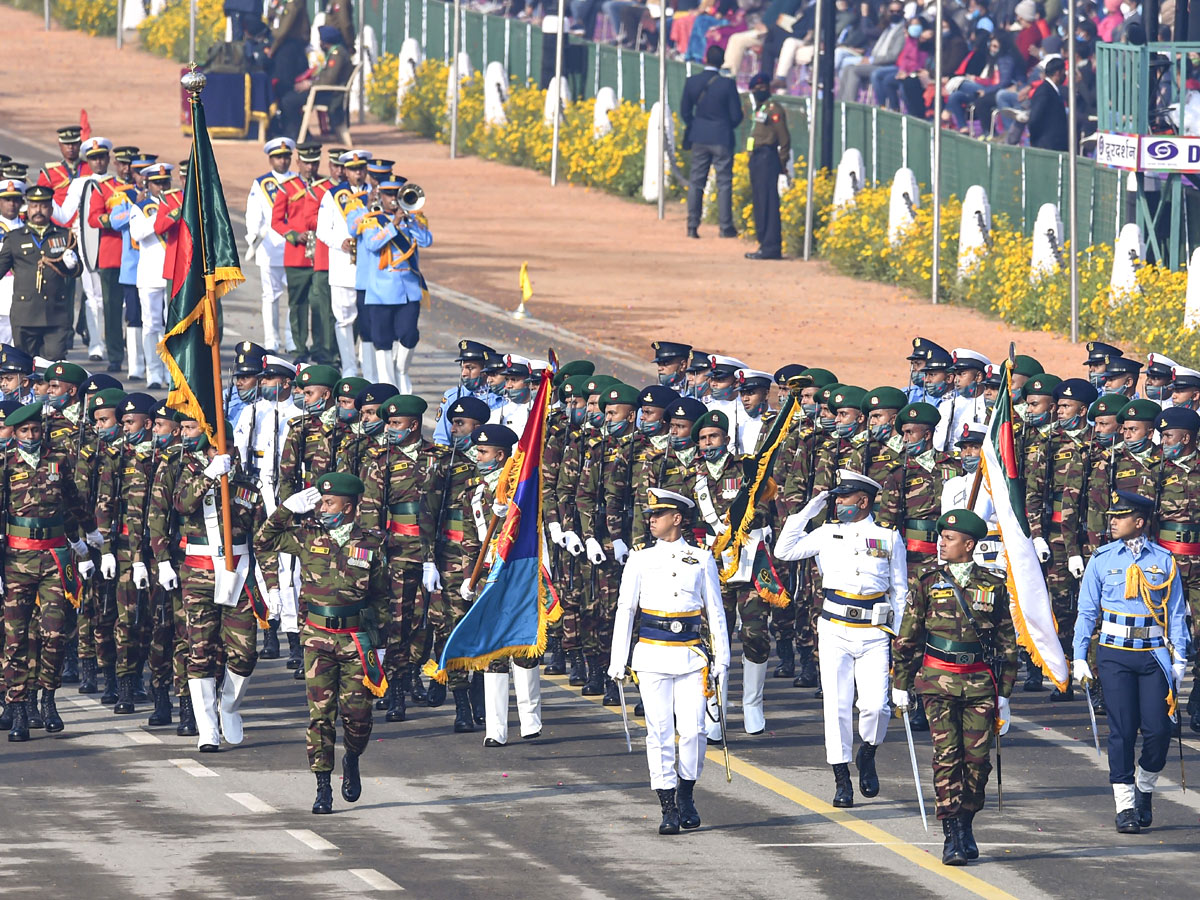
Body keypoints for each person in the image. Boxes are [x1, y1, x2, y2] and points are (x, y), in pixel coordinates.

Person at [256, 470, 389, 815]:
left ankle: (354, 757)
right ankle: (322, 786)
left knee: (357, 715)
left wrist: (382, 645)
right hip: (317, 638)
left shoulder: (371, 542)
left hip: (355, 639)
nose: (322, 507)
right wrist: (286, 508)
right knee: (320, 717)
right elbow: (263, 540)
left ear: (348, 507)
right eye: (321, 501)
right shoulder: (306, 535)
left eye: (329, 502)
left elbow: (381, 598)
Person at [774, 469, 907, 808]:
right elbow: (783, 550)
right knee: (836, 705)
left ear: (862, 501)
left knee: (876, 706)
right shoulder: (826, 532)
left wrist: (899, 635)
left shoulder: (888, 537)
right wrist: (807, 510)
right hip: (835, 628)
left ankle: (868, 752)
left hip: (874, 630)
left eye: (842, 497)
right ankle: (841, 778)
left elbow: (900, 590)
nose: (836, 502)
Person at [892, 509, 1017, 865]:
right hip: (936, 680)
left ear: (969, 544)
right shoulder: (927, 580)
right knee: (947, 758)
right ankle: (951, 835)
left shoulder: (992, 583)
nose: (941, 543)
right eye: (941, 537)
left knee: (977, 762)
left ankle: (967, 821)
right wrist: (901, 682)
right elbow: (908, 634)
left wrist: (1005, 692)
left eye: (948, 539)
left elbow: (1007, 640)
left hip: (979, 682)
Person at [608, 488, 730, 835]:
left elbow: (715, 612)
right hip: (651, 653)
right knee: (659, 733)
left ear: (677, 519)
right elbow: (626, 610)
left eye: (658, 515)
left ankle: (686, 791)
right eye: (649, 516)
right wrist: (619, 658)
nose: (651, 521)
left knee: (694, 731)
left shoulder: (701, 558)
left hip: (691, 654)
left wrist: (723, 658)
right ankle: (667, 805)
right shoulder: (640, 558)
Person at [1072, 491, 1189, 834]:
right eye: (1111, 516)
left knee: (1159, 730)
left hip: (1153, 654)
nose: (1111, 522)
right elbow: (1087, 611)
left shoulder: (1164, 560)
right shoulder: (1103, 558)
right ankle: (1125, 806)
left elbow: (1176, 612)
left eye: (1119, 517)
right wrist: (1080, 655)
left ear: (1139, 522)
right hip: (1114, 654)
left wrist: (1179, 658)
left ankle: (1144, 788)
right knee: (1122, 732)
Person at [173, 414, 266, 752]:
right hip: (198, 574)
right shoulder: (191, 475)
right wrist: (210, 475)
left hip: (238, 573)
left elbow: (263, 538)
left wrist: (271, 583)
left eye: (222, 448)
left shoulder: (248, 487)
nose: (217, 453)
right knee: (200, 651)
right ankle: (207, 728)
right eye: (211, 449)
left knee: (244, 652)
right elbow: (183, 504)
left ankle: (228, 705)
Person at [2, 401, 91, 741]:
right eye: (24, 430)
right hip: (17, 560)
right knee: (16, 638)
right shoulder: (6, 463)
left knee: (54, 633)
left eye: (35, 430)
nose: (31, 435)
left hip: (54, 556)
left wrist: (88, 534)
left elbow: (73, 500)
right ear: (15, 433)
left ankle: (48, 699)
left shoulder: (58, 460)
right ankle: (20, 708)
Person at [357, 181, 432, 393]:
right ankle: (388, 387)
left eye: (395, 194)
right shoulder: (372, 221)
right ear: (381, 197)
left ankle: (402, 370)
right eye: (388, 195)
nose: (392, 199)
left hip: (408, 290)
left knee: (409, 334)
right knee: (382, 341)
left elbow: (426, 241)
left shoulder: (414, 219)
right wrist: (394, 225)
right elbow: (371, 244)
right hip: (381, 291)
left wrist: (412, 221)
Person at [0, 185, 84, 359]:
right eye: (34, 206)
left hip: (55, 315)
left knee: (53, 366)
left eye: (44, 206)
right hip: (25, 315)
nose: (39, 210)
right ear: (28, 209)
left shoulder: (63, 236)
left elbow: (77, 271)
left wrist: (71, 264)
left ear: (51, 209)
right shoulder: (15, 238)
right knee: (23, 368)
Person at [317, 149, 371, 378]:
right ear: (345, 171)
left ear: (366, 170)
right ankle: (349, 366)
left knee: (369, 321)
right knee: (343, 320)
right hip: (342, 266)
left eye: (360, 169)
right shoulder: (332, 195)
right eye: (352, 169)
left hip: (370, 270)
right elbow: (322, 230)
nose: (357, 173)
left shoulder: (376, 195)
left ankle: (369, 368)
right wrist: (341, 242)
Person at [681, 45, 743, 240]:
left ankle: (692, 226)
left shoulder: (692, 82)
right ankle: (725, 227)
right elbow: (736, 115)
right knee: (724, 183)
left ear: (705, 59)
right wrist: (725, 125)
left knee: (696, 182)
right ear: (722, 60)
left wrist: (696, 125)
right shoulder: (727, 85)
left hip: (699, 136)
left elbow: (685, 112)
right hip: (722, 136)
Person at [245, 138, 297, 354]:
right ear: (270, 159)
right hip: (269, 247)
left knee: (295, 295)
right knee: (270, 296)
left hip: (294, 247)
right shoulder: (261, 183)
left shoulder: (298, 181)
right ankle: (271, 341)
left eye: (286, 157)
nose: (283, 161)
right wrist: (253, 237)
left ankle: (292, 339)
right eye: (278, 157)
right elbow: (253, 213)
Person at [277, 26, 353, 139]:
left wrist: (309, 84)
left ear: (326, 42)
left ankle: (298, 134)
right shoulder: (337, 52)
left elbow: (329, 79)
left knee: (288, 101)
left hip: (331, 95)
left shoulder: (337, 54)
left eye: (321, 41)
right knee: (289, 96)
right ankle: (297, 132)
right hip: (325, 91)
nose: (320, 43)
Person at [744, 74, 789, 262]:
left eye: (762, 88)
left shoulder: (773, 109)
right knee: (760, 202)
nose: (759, 92)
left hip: (767, 156)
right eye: (756, 89)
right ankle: (763, 242)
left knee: (768, 202)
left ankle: (771, 246)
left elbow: (784, 139)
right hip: (756, 157)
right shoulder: (759, 109)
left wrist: (782, 162)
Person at [1028, 56, 1068, 152]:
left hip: (1055, 144)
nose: (1065, 75)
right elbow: (1034, 118)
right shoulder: (1044, 91)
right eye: (1064, 72)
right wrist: (1036, 141)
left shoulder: (1054, 90)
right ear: (1058, 73)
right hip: (1046, 145)